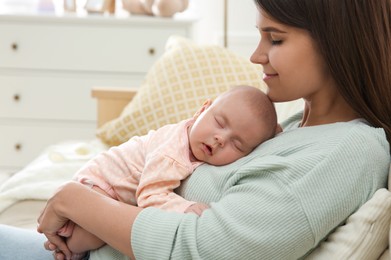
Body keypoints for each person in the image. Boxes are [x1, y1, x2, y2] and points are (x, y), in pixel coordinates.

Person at [0, 0, 390, 259]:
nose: (256, 55)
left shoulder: (344, 153)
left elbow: (200, 248)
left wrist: (76, 200)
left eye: (275, 38)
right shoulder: (295, 127)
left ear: (338, 43)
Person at [56, 85, 278, 259]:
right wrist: (186, 208)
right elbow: (150, 196)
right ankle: (68, 248)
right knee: (89, 237)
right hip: (98, 186)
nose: (220, 139)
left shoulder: (195, 144)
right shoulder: (172, 152)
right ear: (201, 110)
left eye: (237, 144)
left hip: (103, 189)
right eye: (219, 122)